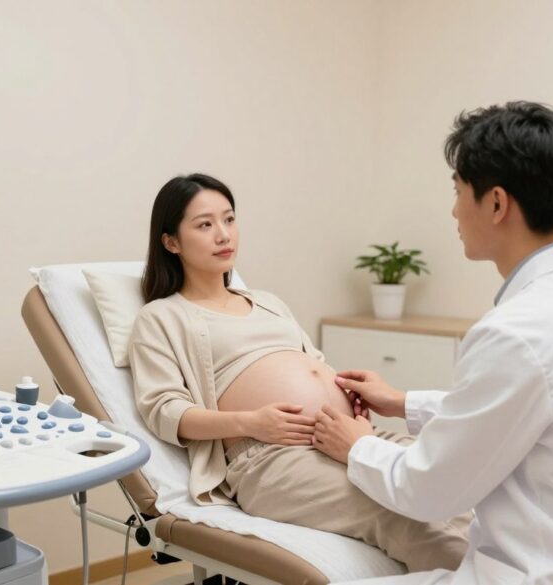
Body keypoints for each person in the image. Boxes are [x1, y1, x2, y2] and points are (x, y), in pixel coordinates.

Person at [313, 102, 553, 585]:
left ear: (497, 203)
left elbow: (429, 488)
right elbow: (540, 411)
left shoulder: (516, 331)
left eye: (458, 191)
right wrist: (404, 403)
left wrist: (359, 446)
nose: (453, 210)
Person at [128, 173, 469, 572]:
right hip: (271, 457)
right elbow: (164, 410)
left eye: (229, 219)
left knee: (459, 484)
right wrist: (252, 422)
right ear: (171, 242)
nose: (224, 234)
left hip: (345, 436)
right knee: (403, 513)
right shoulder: (162, 317)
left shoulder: (267, 302)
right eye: (205, 225)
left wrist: (350, 398)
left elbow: (314, 364)